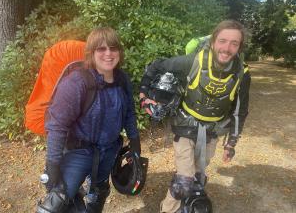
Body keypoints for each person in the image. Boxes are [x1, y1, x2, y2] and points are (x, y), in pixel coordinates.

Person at [139, 20, 251, 213]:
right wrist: (143, 94)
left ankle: (187, 205)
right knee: (184, 180)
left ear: (240, 47)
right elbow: (156, 65)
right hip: (184, 126)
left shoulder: (242, 73)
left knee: (198, 177)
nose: (227, 48)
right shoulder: (194, 60)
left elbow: (240, 110)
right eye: (223, 41)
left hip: (212, 131)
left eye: (234, 43)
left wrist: (231, 143)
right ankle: (167, 210)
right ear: (214, 41)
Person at [39, 27, 141, 213]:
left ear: (119, 52)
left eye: (113, 48)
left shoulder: (122, 80)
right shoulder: (76, 82)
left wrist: (135, 142)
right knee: (56, 203)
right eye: (101, 49)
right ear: (91, 53)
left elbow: (129, 113)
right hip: (78, 152)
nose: (108, 54)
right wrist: (52, 165)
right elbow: (57, 126)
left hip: (109, 150)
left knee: (99, 192)